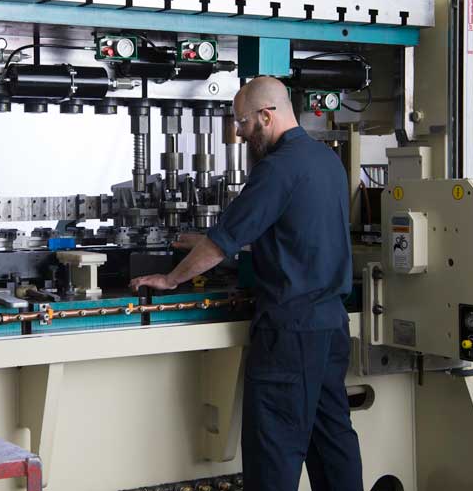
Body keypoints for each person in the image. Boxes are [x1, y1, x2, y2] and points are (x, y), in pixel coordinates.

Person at [130, 76, 363, 491]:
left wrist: (171, 277)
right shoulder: (327, 161)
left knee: (274, 452)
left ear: (266, 116)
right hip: (331, 325)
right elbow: (297, 231)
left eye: (243, 122)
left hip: (288, 333)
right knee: (332, 442)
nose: (238, 133)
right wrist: (208, 241)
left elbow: (222, 243)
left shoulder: (276, 168)